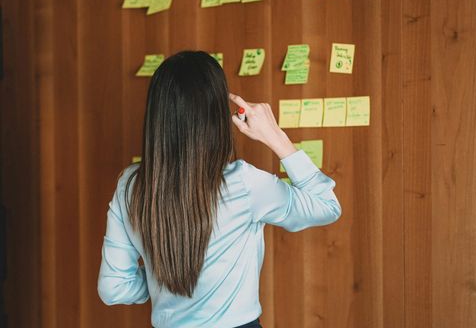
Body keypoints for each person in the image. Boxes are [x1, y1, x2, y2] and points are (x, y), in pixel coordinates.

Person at [97, 51, 342, 328]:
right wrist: (276, 137)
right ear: (216, 117)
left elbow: (114, 287)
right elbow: (327, 206)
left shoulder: (130, 185)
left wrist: (161, 281)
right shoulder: (245, 183)